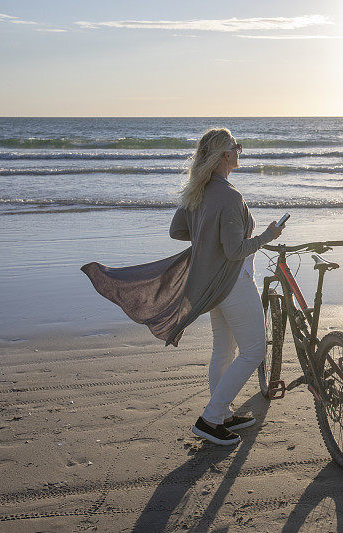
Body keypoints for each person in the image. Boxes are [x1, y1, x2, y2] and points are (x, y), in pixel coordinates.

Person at [82, 128, 284, 446]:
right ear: (223, 156)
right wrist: (267, 236)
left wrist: (207, 237)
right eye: (237, 147)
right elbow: (235, 251)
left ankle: (223, 414)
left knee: (224, 350)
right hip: (233, 281)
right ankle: (210, 419)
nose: (240, 152)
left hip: (213, 285)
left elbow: (178, 230)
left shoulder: (198, 191)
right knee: (254, 351)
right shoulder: (231, 197)